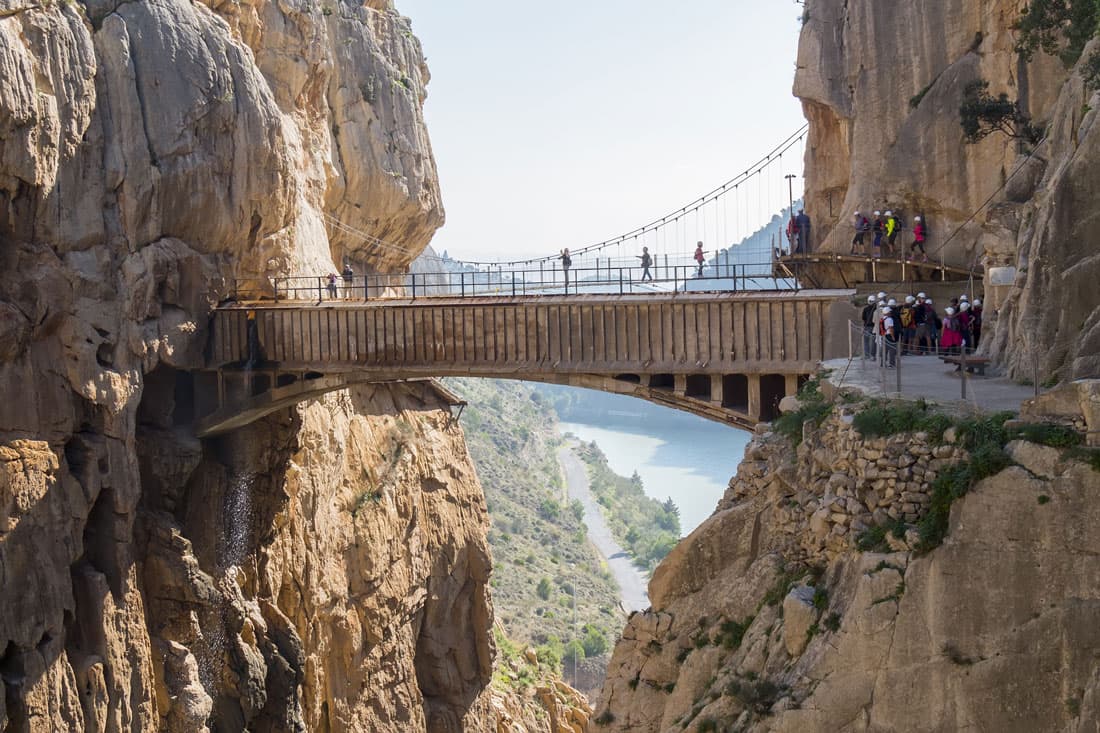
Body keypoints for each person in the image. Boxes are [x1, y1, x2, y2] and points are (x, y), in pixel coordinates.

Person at [861, 294, 878, 359]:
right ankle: (873, 355)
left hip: (867, 326)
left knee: (866, 341)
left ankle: (867, 355)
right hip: (874, 327)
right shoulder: (877, 309)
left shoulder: (865, 309)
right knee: (873, 342)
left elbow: (863, 318)